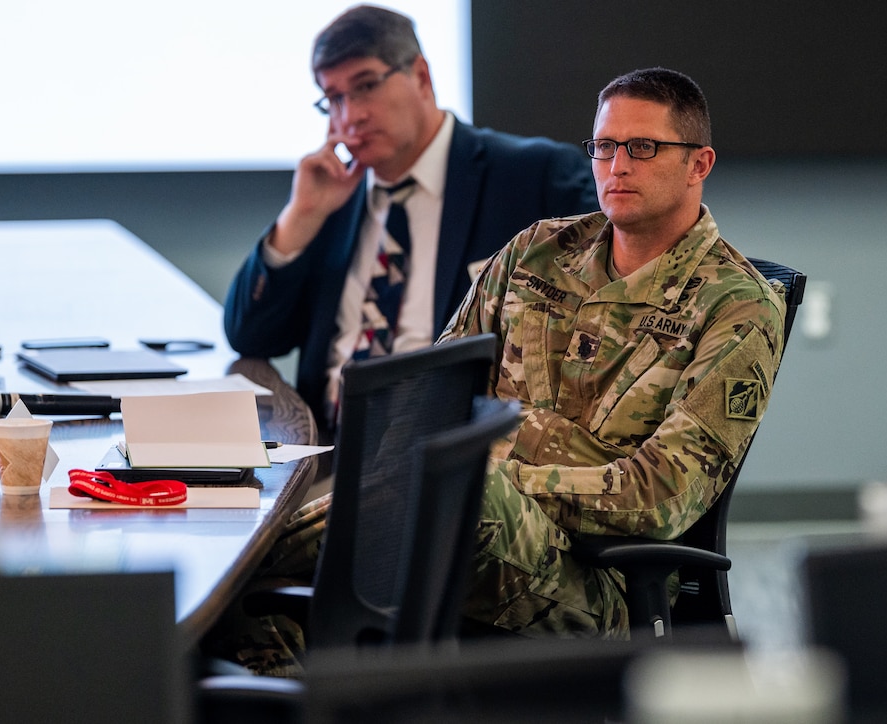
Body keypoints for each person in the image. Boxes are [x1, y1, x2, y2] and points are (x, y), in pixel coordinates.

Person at [205, 67, 786, 677]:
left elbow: (659, 498)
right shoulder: (536, 251)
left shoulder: (737, 305)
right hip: (463, 536)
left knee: (457, 488)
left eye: (643, 148)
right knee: (252, 592)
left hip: (601, 580)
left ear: (699, 164)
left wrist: (499, 469)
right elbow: (428, 400)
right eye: (605, 147)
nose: (618, 166)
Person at [222, 4, 597, 437]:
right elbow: (250, 336)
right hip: (326, 457)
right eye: (334, 98)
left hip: (451, 464)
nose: (350, 117)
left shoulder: (533, 178)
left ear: (421, 76)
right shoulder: (330, 199)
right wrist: (300, 217)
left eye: (364, 87)